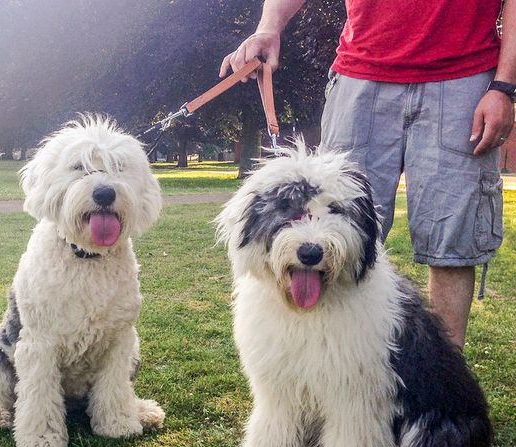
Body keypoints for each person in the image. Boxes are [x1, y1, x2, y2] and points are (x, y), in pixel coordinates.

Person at [220, 0, 515, 349]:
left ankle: (443, 381)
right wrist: (269, 27)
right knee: (331, 230)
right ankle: (324, 374)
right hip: (360, 76)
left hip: (464, 78)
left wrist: (504, 85)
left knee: (450, 244)